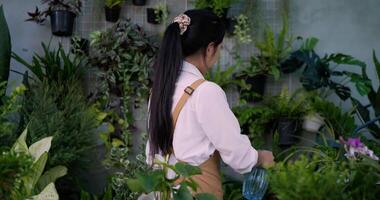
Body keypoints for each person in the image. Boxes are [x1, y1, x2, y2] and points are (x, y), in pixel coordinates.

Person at [146, 9, 274, 199]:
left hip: (160, 191)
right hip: (194, 192)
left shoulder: (160, 90)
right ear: (210, 48)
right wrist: (260, 157)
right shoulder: (206, 91)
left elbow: (151, 151)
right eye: (220, 48)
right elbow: (235, 152)